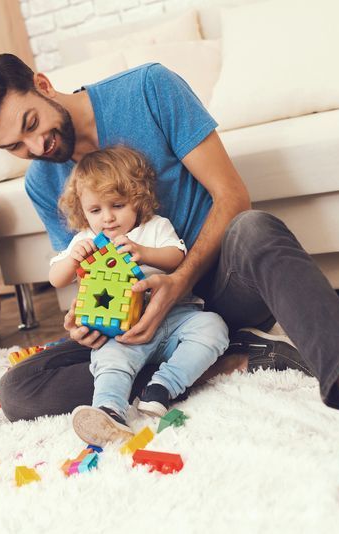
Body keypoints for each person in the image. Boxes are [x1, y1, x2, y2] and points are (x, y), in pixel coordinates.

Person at [0, 53, 339, 486]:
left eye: (32, 124)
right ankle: (225, 357)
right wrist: (86, 318)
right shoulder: (43, 179)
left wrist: (178, 281)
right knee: (19, 391)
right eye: (15, 146)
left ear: (42, 84)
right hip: (141, 323)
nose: (36, 146)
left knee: (255, 227)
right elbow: (85, 271)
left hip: (219, 287)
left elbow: (232, 195)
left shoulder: (148, 89)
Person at [51, 145, 229, 446]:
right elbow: (56, 278)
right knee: (109, 359)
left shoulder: (154, 227)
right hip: (124, 332)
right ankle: (109, 409)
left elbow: (176, 257)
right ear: (83, 211)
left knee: (214, 327)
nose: (107, 218)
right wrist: (73, 259)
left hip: (176, 318)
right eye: (95, 210)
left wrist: (143, 252)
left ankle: (162, 388)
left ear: (137, 199)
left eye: (117, 205)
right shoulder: (85, 241)